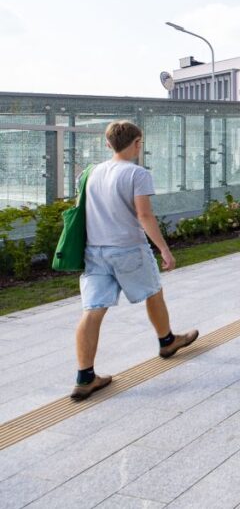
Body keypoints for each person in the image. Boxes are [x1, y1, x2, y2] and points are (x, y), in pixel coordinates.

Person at [71, 121, 198, 401]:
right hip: (128, 249)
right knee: (153, 291)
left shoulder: (91, 173)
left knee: (92, 310)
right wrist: (164, 249)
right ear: (137, 143)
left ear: (108, 144)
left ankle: (84, 378)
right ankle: (167, 341)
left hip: (95, 252)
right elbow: (144, 215)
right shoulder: (137, 174)